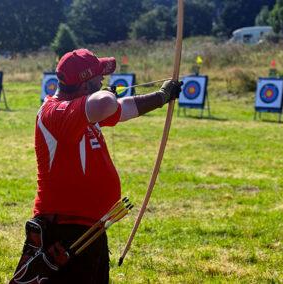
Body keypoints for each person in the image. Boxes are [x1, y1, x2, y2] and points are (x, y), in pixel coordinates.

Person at [12, 48, 182, 283]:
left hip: (91, 229)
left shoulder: (82, 112)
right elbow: (106, 103)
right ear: (84, 85)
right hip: (63, 230)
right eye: (98, 76)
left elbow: (124, 108)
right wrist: (108, 96)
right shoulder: (57, 113)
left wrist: (162, 96)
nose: (103, 79)